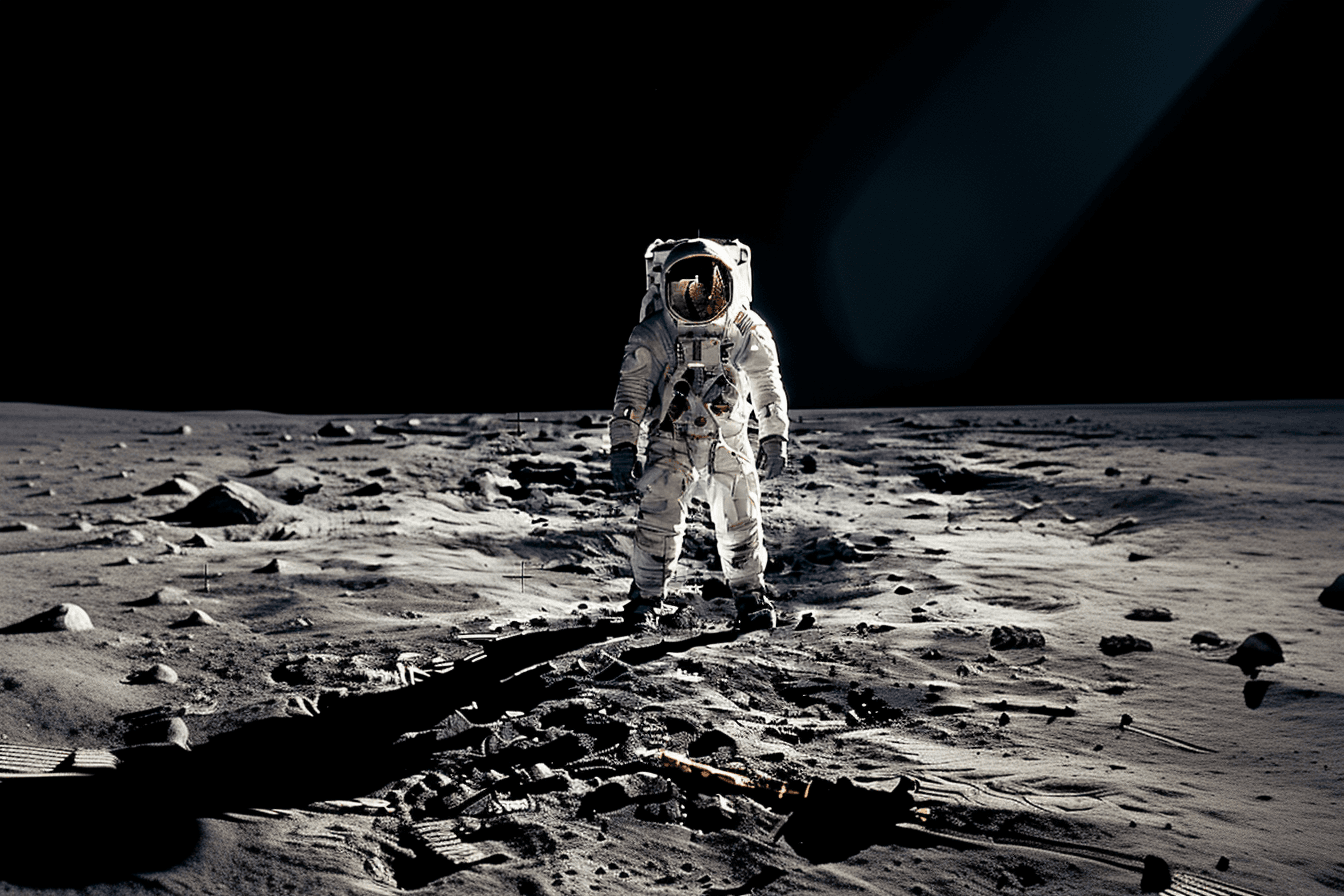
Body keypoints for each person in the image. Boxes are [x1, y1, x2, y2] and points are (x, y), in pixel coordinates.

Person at [609, 237, 789, 630]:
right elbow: (633, 391)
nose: (699, 294)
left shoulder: (744, 327)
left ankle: (750, 596)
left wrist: (774, 435)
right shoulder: (655, 333)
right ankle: (646, 601)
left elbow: (765, 383)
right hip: (672, 437)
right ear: (667, 286)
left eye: (709, 283)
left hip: (728, 437)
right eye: (686, 284)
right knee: (659, 517)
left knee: (740, 516)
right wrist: (624, 443)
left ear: (728, 282)